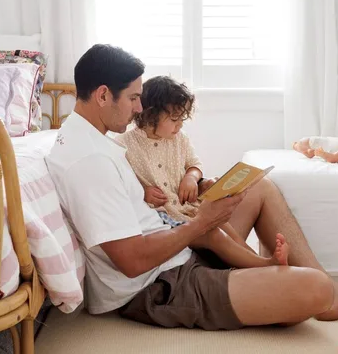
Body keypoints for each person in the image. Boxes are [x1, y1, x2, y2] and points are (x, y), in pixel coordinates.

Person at [46, 44, 338, 330]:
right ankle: (322, 291)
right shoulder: (88, 161)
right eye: (134, 98)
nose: (139, 107)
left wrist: (200, 204)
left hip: (175, 248)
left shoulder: (94, 142)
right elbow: (132, 262)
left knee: (261, 188)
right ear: (104, 95)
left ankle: (327, 292)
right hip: (159, 285)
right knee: (312, 288)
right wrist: (202, 223)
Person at [116, 75, 288, 269]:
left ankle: (256, 260)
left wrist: (191, 176)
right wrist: (144, 191)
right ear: (150, 114)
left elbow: (194, 164)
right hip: (164, 217)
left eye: (182, 118)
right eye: (174, 119)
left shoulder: (179, 138)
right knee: (215, 235)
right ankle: (263, 266)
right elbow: (123, 183)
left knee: (223, 224)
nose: (180, 124)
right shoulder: (124, 145)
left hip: (189, 208)